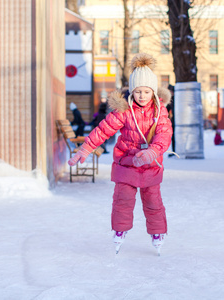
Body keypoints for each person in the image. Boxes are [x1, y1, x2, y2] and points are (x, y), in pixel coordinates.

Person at [68, 53, 172, 255]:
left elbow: (164, 134)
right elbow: (104, 129)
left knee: (153, 202)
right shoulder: (124, 111)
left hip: (150, 165)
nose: (142, 96)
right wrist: (86, 148)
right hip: (126, 163)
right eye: (138, 91)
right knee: (122, 200)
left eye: (146, 91)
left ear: (153, 92)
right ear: (132, 91)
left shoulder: (160, 112)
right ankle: (119, 231)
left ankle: (158, 233)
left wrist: (153, 151)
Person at [166, 84, 175, 157]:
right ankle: (174, 151)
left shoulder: (175, 99)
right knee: (173, 136)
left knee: (175, 136)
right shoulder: (171, 99)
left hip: (176, 120)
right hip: (173, 120)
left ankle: (176, 151)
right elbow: (167, 109)